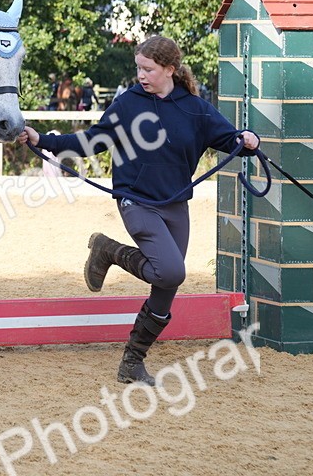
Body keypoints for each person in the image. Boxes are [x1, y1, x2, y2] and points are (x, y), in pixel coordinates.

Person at [15, 35, 259, 385]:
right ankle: (110, 251)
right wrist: (44, 141)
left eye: (148, 69)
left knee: (166, 287)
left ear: (170, 70)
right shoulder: (129, 103)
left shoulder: (195, 108)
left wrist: (248, 141)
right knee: (172, 271)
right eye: (138, 68)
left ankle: (132, 362)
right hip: (136, 200)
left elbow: (229, 139)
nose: (141, 75)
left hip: (175, 203)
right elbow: (93, 139)